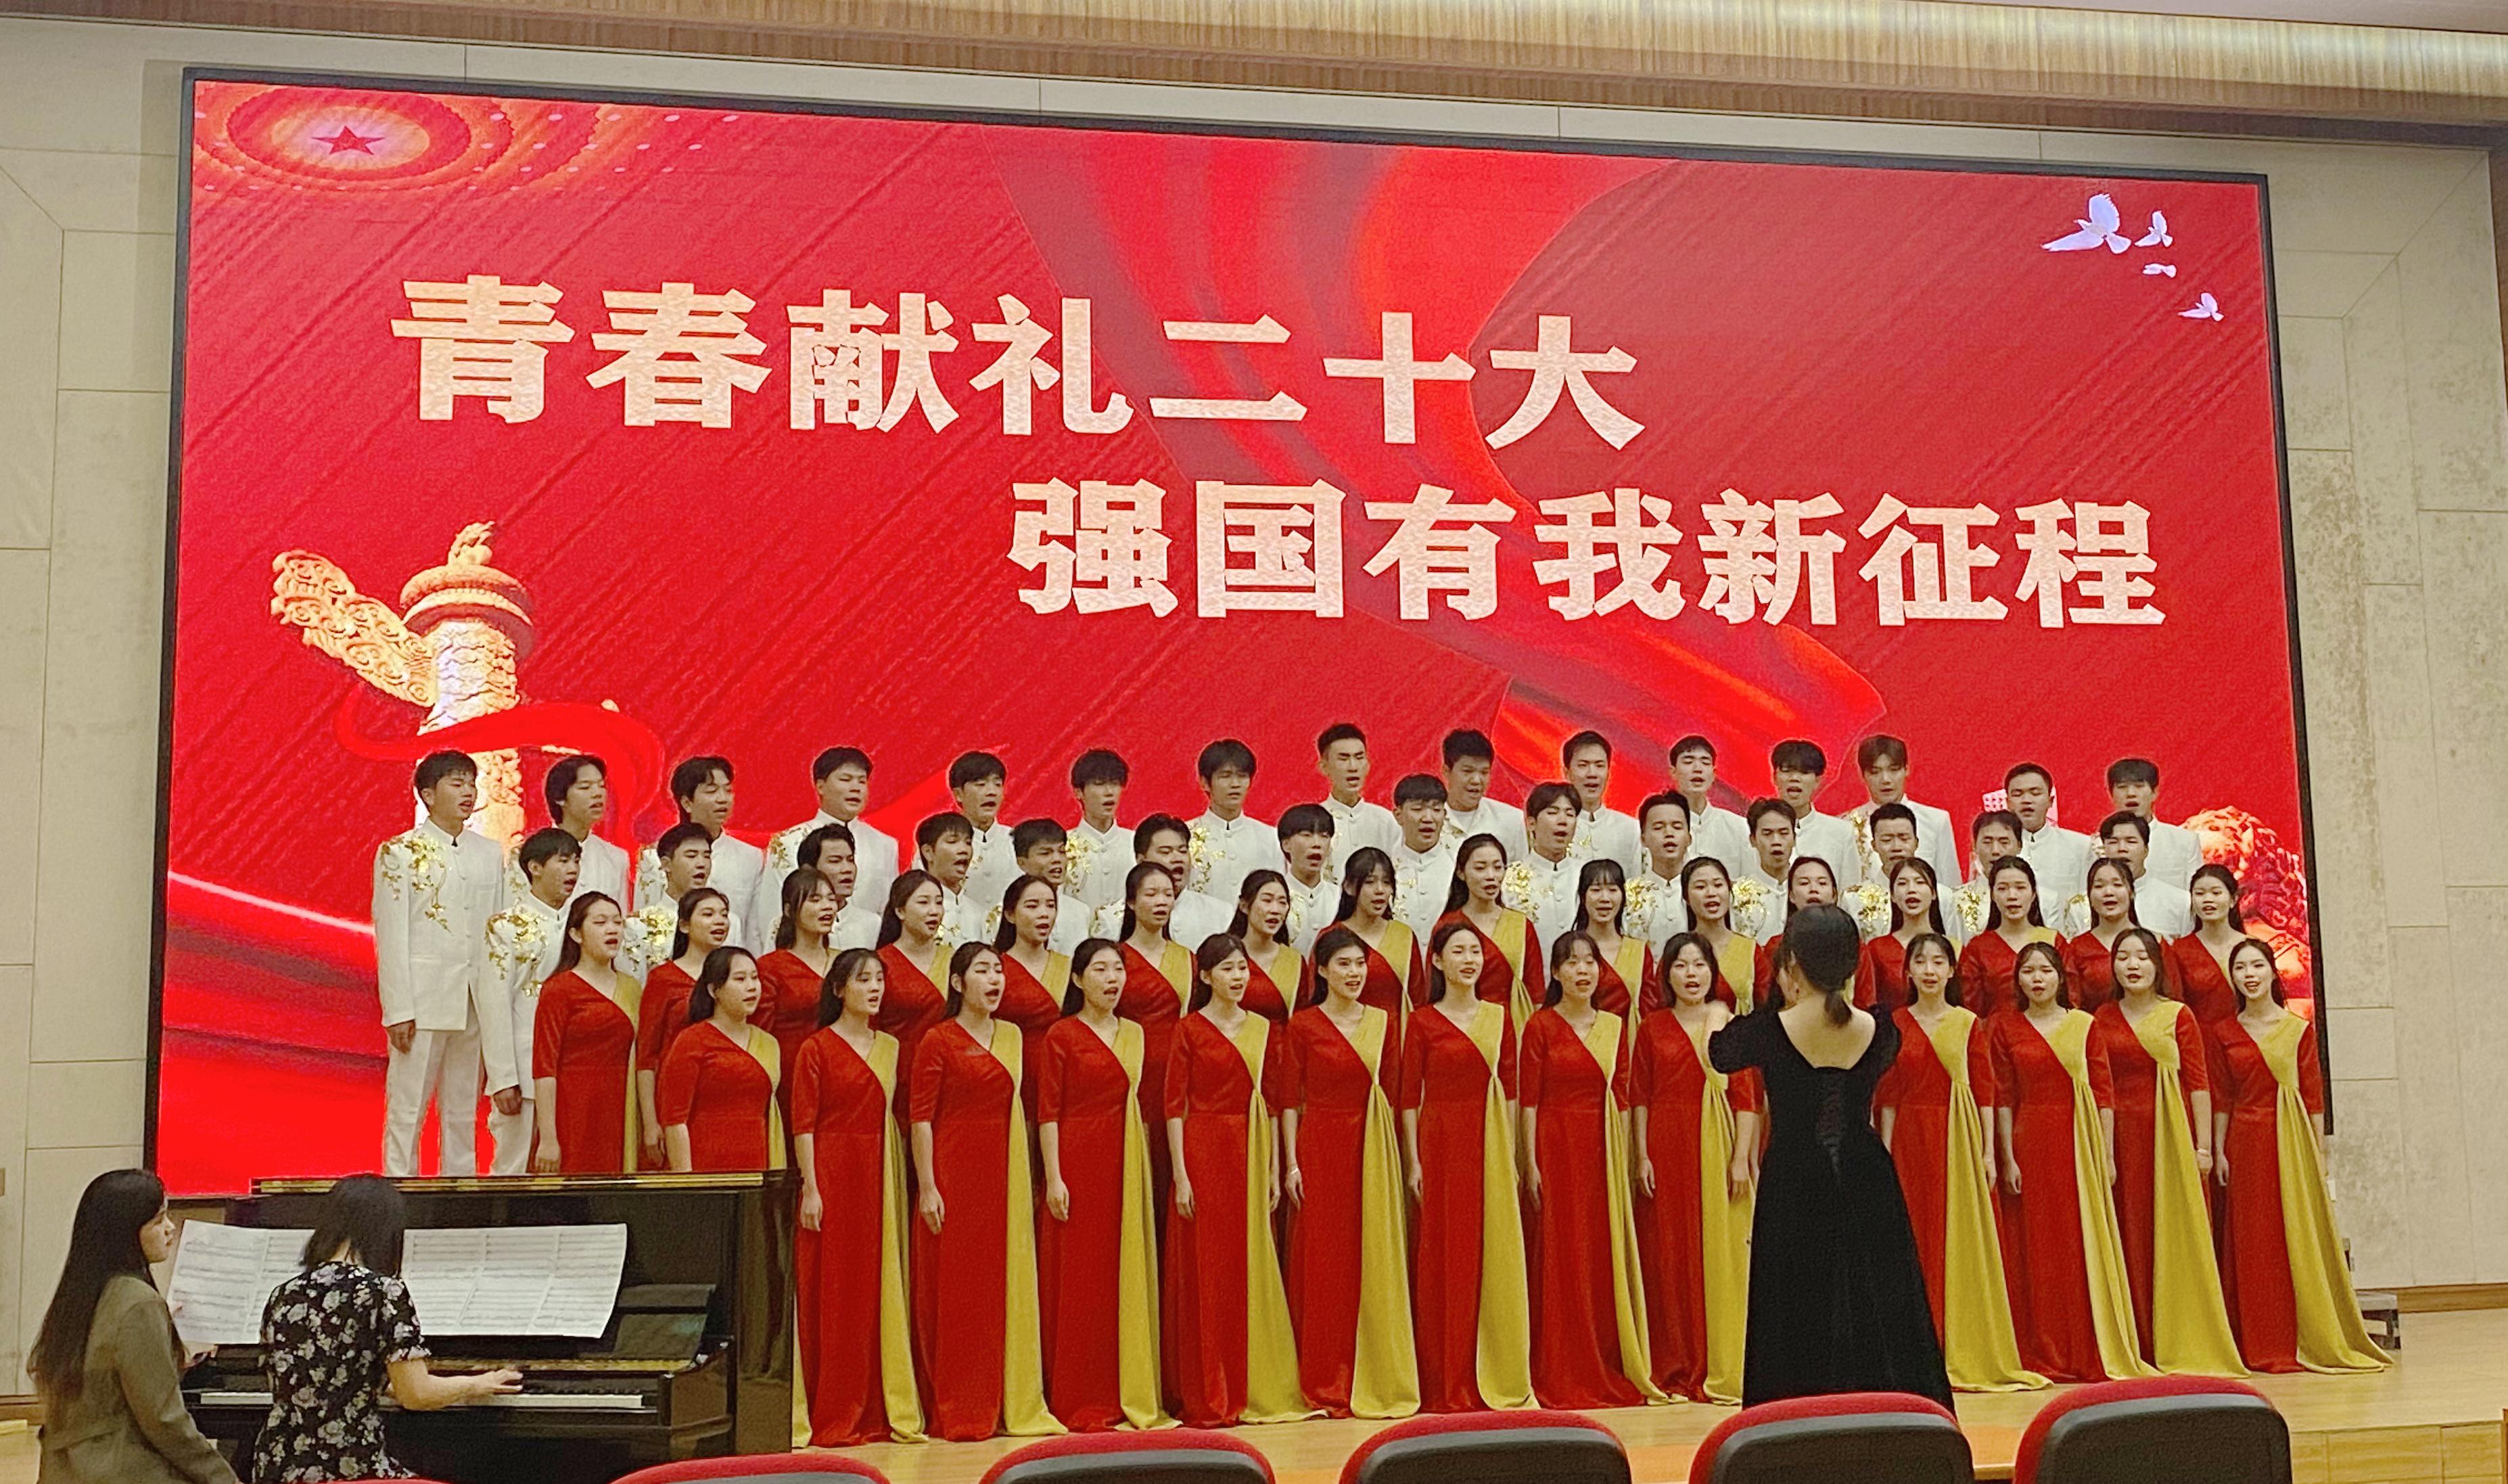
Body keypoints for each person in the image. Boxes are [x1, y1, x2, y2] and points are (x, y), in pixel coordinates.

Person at [1708, 904, 1951, 1406]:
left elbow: (1720, 1054)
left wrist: (1715, 1013)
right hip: (1867, 1172)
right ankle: (1894, 1411)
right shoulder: (1880, 1029)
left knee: (1797, 1297)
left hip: (1795, 1175)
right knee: (1879, 1293)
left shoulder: (1767, 1029)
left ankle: (1795, 1418)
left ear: (1793, 962)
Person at [251, 1177, 521, 1482]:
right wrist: (478, 1383)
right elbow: (416, 1395)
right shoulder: (383, 1291)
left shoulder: (282, 1294)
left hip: (277, 1466)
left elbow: (309, 1382)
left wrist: (381, 1382)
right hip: (348, 1469)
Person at [1872, 935, 2042, 1393]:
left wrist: (1986, 1151)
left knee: (1956, 1238)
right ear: (1908, 972)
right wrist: (1884, 1153)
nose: (1929, 970)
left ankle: (1962, 1346)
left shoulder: (1968, 1023)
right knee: (1914, 1240)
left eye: (1938, 962)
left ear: (1951, 971)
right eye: (1920, 962)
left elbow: (1985, 1091)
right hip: (1909, 1139)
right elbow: (1888, 1096)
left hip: (1956, 1136)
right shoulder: (1895, 1024)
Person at [2214, 940, 2391, 1374]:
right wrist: (2218, 1150)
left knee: (2293, 1234)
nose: (2250, 975)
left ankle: (2304, 1334)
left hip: (2289, 1139)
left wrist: (2318, 1154)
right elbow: (2221, 1099)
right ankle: (2258, 1341)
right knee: (2253, 1240)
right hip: (2244, 1141)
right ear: (2232, 977)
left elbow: (2313, 1097)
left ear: (2272, 973)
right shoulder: (2222, 1032)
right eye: (2241, 968)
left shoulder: (2297, 1029)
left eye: (2258, 966)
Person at [910, 944, 1063, 1441]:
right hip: (954, 1172)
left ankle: (1007, 1399)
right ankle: (960, 1405)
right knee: (961, 1290)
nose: (994, 979)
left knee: (1003, 1285)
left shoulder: (1013, 1036)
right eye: (982, 971)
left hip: (1004, 1171)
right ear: (958, 983)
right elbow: (921, 1118)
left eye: (998, 970)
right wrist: (928, 1185)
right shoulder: (938, 1039)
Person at [1163, 935, 1314, 1427]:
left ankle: (1252, 1381)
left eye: (1242, 968)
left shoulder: (1263, 1029)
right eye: (1227, 969)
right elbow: (1174, 1107)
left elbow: (1270, 1103)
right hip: (1204, 1149)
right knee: (1208, 1267)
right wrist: (1182, 1174)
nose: (1237, 977)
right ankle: (1209, 1388)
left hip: (1248, 1149)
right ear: (1206, 977)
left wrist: (1273, 1167)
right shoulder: (1188, 1030)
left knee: (1247, 1263)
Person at [1989, 942, 2152, 1383]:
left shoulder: (2084, 1025)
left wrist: (2106, 1154)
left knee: (2077, 1244)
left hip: (2077, 1142)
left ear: (2060, 977)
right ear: (2018, 980)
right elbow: (2003, 1096)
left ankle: (2084, 1346)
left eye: (2045, 970)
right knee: (2037, 1248)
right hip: (2029, 1141)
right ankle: (2041, 1348)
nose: (2037, 979)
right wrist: (2007, 1157)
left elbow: (2103, 1093)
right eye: (2029, 971)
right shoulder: (2004, 1027)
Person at [1280, 927, 1419, 1419]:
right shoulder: (1303, 1026)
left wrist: (1404, 1157)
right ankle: (1324, 1376)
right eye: (1343, 964)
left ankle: (1376, 1370)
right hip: (1320, 1146)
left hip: (1372, 1146)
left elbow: (1399, 1095)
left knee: (1372, 1253)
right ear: (1321, 971)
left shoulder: (1384, 1022)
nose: (1355, 972)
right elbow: (1288, 1101)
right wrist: (1291, 1163)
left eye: (1360, 963)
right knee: (1325, 1262)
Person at [2093, 929, 2244, 1376]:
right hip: (2121, 1140)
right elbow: (2100, 1087)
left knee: (2171, 1233)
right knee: (2130, 1234)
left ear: (2158, 965)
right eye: (2123, 957)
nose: (2133, 965)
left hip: (2169, 1139)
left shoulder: (2178, 1015)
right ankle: (2135, 1340)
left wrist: (2203, 1147)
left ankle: (2180, 1337)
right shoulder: (2101, 1017)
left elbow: (2199, 1083)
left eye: (2142, 957)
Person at [1520, 933, 1661, 1408]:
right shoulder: (1540, 1026)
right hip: (1554, 1145)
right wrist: (1529, 1160)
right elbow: (1529, 1100)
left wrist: (1629, 1157)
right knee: (1561, 1251)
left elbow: (1623, 1097)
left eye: (1590, 962)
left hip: (1602, 1148)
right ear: (1555, 972)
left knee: (1599, 1252)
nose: (1582, 970)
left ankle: (1603, 1359)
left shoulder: (1615, 1027)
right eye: (1571, 962)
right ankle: (1560, 1366)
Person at [792, 948, 925, 1445]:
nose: (874, 989)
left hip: (879, 1170)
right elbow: (804, 1123)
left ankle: (876, 1403)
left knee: (875, 1284)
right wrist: (811, 1186)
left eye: (879, 980)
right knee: (836, 1286)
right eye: (863, 980)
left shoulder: (890, 1047)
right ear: (838, 989)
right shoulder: (817, 1048)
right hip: (832, 1169)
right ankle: (833, 1407)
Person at [1400, 922, 1535, 1412]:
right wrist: (1414, 1160)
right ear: (1437, 962)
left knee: (1491, 1250)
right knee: (1445, 1254)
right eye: (1458, 952)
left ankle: (1497, 1367)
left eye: (1475, 951)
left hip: (1489, 1142)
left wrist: (1514, 1154)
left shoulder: (1500, 1018)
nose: (1469, 960)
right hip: (1439, 1144)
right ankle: (1446, 1372)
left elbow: (1513, 1091)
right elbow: (1408, 1097)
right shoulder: (1421, 1022)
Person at [1036, 940, 1169, 1432]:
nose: (1112, 979)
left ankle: (1128, 1386)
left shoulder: (1134, 1033)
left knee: (1123, 1269)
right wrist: (1054, 1176)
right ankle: (1079, 1394)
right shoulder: (1062, 1035)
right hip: (1077, 1158)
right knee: (1082, 1277)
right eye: (1100, 970)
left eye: (1118, 970)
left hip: (1125, 1158)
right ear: (1077, 979)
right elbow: (1048, 1111)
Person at [30, 1169, 237, 1484]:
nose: (170, 1229)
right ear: (125, 1232)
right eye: (158, 1220)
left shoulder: (78, 1297)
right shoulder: (138, 1302)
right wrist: (224, 1478)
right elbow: (165, 1421)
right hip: (124, 1471)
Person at [1630, 933, 1758, 1404]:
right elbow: (1640, 1094)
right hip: (1666, 1146)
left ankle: (1721, 1360)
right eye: (1681, 965)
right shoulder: (1652, 1028)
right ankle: (1675, 1364)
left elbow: (1747, 1098)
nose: (1691, 974)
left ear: (1713, 972)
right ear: (1667, 975)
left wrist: (1741, 1157)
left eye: (1699, 965)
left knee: (1721, 1253)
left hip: (1718, 1145)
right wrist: (1641, 1154)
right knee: (1669, 1255)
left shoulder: (1731, 1026)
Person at [372, 749, 509, 1177]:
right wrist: (398, 1009)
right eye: (456, 783)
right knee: (408, 1107)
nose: (468, 792)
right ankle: (400, 1189)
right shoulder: (400, 852)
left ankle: (460, 1188)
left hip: (474, 998)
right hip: (422, 999)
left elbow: (496, 928)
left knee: (463, 1108)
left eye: (471, 783)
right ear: (428, 795)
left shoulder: (489, 853)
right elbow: (391, 934)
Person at [484, 828, 580, 1175]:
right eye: (563, 861)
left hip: (572, 1069)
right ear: (535, 868)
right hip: (523, 1070)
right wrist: (503, 1078)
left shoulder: (581, 924)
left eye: (576, 861)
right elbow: (493, 1005)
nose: (572, 870)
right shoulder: (505, 927)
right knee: (513, 1166)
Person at [532, 893, 645, 1174]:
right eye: (601, 922)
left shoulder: (632, 988)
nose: (612, 929)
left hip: (621, 1106)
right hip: (574, 1107)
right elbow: (544, 1067)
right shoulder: (559, 989)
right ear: (576, 934)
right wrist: (548, 1137)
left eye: (618, 922)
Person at [657, 946, 783, 1173]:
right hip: (705, 1168)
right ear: (714, 990)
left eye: (755, 978)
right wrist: (686, 1181)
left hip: (755, 1165)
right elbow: (674, 1120)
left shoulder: (768, 1043)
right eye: (740, 979)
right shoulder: (691, 1041)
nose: (751, 986)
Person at [1115, 861, 1196, 1207]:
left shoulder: (1187, 959)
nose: (1161, 901)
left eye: (1168, 894)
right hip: (1129, 1071)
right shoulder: (1114, 959)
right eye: (1151, 894)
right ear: (1131, 902)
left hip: (1176, 1071)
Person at [634, 886, 733, 1166]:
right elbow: (646, 1057)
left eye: (724, 914)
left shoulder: (737, 976)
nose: (719, 921)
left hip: (724, 1096)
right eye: (708, 914)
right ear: (685, 925)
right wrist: (650, 1123)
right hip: (675, 1099)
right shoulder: (664, 978)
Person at [636, 757, 766, 952]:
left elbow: (754, 932)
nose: (723, 799)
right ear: (687, 802)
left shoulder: (750, 857)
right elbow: (644, 921)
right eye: (711, 791)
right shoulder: (653, 857)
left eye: (728, 790)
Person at [764, 747, 900, 931]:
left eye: (862, 781)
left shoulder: (885, 845)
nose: (856, 788)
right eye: (845, 779)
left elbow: (889, 911)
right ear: (820, 786)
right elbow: (772, 914)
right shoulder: (787, 843)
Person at [1437, 834, 1541, 1027]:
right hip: (1462, 1026)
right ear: (1461, 873)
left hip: (1512, 1025)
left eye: (1498, 867)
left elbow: (1536, 993)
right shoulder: (1447, 925)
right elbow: (1435, 989)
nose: (1491, 876)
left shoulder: (1520, 925)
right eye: (1480, 868)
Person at [876, 871, 954, 1118]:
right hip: (899, 1077)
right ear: (900, 911)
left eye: (939, 903)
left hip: (951, 1076)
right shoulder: (880, 965)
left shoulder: (955, 961)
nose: (934, 911)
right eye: (923, 902)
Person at [1847, 735, 1962, 898]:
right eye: (1875, 772)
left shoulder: (1936, 821)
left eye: (1894, 770)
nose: (1886, 780)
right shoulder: (1846, 826)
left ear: (1906, 769)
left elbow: (1951, 887)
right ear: (1862, 775)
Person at [1094, 814, 1234, 948]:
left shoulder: (1220, 914)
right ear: (1141, 861)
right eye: (1166, 852)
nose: (1178, 859)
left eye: (1183, 851)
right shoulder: (1112, 919)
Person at [759, 870, 843, 1093]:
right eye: (815, 899)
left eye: (831, 899)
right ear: (789, 910)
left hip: (840, 1075)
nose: (827, 907)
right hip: (790, 1077)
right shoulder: (770, 968)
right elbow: (759, 1036)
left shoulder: (845, 964)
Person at [1958, 858, 2063, 1019]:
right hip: (1995, 1032)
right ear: (1993, 895)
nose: (2012, 896)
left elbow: (2070, 999)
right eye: (2002, 889)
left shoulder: (2054, 941)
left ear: (2033, 894)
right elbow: (1971, 1009)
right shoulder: (1978, 947)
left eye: (2020, 888)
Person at [624, 824, 730, 977]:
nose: (701, 864)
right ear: (666, 864)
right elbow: (634, 986)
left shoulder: (727, 921)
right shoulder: (639, 925)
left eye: (707, 856)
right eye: (691, 856)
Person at [1189, 739, 1283, 906]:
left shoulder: (1270, 837)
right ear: (1205, 783)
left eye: (1242, 776)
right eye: (1225, 776)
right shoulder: (1186, 836)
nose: (1235, 784)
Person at [1331, 848, 1422, 1016]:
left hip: (1397, 1031)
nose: (1380, 890)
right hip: (1346, 1030)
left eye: (1386, 882)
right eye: (1370, 882)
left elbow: (1418, 999)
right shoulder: (1331, 937)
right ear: (1349, 887)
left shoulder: (1404, 936)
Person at [1859, 858, 1954, 1017]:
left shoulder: (1954, 948)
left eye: (1920, 882)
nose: (1911, 889)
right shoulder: (1876, 949)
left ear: (1934, 893)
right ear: (1892, 896)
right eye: (1902, 883)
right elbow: (1868, 1003)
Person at [995, 873, 1073, 1059]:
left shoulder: (1069, 967)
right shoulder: (996, 969)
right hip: (1012, 1064)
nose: (1044, 913)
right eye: (1032, 906)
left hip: (1061, 1064)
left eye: (1051, 906)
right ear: (1010, 915)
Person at [2005, 762, 2097, 914]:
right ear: (2008, 803)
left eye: (2035, 793)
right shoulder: (1996, 847)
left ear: (2050, 801)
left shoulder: (2080, 845)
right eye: (2018, 794)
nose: (2027, 800)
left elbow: (2089, 901)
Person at [542, 753, 632, 908]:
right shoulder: (531, 855)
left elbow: (620, 917)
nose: (598, 793)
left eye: (602, 786)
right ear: (559, 797)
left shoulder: (616, 858)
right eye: (585, 787)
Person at [1770, 739, 1861, 891]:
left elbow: (1850, 891)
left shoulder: (1841, 832)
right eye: (1787, 771)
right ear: (1775, 777)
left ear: (1818, 780)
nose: (1795, 778)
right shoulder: (1753, 831)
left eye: (1804, 772)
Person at [1502, 781, 1584, 946]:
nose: (1563, 821)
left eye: (1570, 814)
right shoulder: (1508, 879)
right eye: (1553, 813)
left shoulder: (1587, 873)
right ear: (1531, 823)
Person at [1752, 856, 1841, 1006]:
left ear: (1834, 895)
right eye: (1804, 883)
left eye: (1822, 883)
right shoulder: (1776, 946)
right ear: (1791, 896)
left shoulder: (1853, 946)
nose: (1813, 889)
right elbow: (1766, 1000)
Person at [2168, 864, 2249, 1030]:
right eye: (2200, 894)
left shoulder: (2252, 948)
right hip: (2200, 1040)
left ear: (2233, 900)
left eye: (2216, 893)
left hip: (2248, 1038)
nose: (2207, 899)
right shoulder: (2179, 951)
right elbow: (2174, 1007)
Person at [2088, 812, 2193, 939]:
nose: (2122, 848)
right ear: (2104, 849)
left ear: (2146, 850)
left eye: (2131, 841)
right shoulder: (2084, 905)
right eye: (2113, 842)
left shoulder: (2180, 902)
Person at [2106, 758, 2204, 890]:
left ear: (2155, 792)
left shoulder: (2185, 841)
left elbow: (2196, 891)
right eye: (2122, 787)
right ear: (2111, 794)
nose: (2131, 794)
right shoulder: (2097, 845)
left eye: (2139, 786)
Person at [1571, 858, 1651, 1015]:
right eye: (1596, 890)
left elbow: (1650, 1010)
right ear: (1583, 896)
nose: (1605, 898)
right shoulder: (1570, 948)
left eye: (1613, 890)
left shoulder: (1638, 952)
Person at [1316, 723, 1398, 875]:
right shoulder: (1314, 821)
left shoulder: (1386, 821)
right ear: (1323, 767)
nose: (1353, 767)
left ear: (1368, 765)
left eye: (1359, 757)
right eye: (1343, 759)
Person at [2060, 859, 2141, 1013]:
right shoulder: (2076, 949)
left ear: (2131, 893)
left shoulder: (2153, 944)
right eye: (2099, 886)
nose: (2108, 892)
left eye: (2117, 885)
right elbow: (2071, 1005)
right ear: (2089, 897)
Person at [1681, 856, 1761, 1013]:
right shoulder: (1678, 951)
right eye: (1700, 887)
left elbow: (1767, 1008)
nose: (1711, 893)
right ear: (1686, 897)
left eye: (1718, 885)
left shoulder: (1750, 951)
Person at [1667, 735, 1754, 876]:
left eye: (1705, 762)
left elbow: (1750, 881)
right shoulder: (1657, 827)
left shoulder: (1739, 828)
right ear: (1673, 772)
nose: (1698, 769)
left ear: (1714, 774)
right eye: (1688, 761)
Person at [1230, 869, 1308, 1023]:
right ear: (1244, 906)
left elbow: (1302, 1019)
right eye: (1267, 901)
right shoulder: (1224, 956)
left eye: (1282, 902)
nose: (1275, 910)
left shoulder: (1294, 961)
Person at [1387, 774, 1456, 946]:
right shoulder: (1386, 866)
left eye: (1436, 809)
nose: (1428, 818)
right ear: (1398, 815)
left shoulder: (1459, 862)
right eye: (1418, 809)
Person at [1011, 818, 1096, 955]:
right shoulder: (1006, 912)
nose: (1057, 860)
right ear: (1022, 863)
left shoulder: (1081, 912)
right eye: (1045, 853)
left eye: (1062, 852)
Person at [947, 751, 1019, 912]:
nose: (991, 792)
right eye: (981, 785)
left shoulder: (1017, 841)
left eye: (997, 784)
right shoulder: (940, 842)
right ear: (959, 795)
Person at [1560, 730, 1641, 873]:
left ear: (1608, 772)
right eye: (1583, 765)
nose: (1592, 774)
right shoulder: (1556, 827)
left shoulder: (1631, 829)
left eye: (1599, 766)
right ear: (1567, 773)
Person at [1066, 748, 1136, 912]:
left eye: (1114, 784)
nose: (1109, 792)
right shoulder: (1063, 846)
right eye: (1099, 784)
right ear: (1078, 792)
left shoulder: (1136, 843)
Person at [1435, 729, 1523, 859]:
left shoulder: (1512, 820)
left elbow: (1523, 869)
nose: (1476, 780)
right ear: (1446, 772)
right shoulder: (1427, 819)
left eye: (1484, 772)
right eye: (1467, 771)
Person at [1621, 791, 1694, 949]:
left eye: (1677, 827)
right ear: (1643, 839)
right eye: (1658, 827)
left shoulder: (1704, 891)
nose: (1669, 834)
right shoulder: (1628, 896)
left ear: (1689, 838)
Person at [1844, 803, 1924, 942]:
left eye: (1904, 839)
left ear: (1916, 843)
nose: (1896, 847)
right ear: (1874, 845)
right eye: (1887, 840)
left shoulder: (1942, 896)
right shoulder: (1854, 899)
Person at [914, 811, 989, 949]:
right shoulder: (914, 910)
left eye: (968, 843)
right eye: (952, 842)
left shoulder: (979, 913)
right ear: (928, 852)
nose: (964, 850)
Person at [1948, 810, 2026, 941]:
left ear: (2019, 846)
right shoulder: (1956, 899)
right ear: (1974, 846)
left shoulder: (2044, 898)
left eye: (2004, 842)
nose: (1995, 851)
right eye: (1987, 842)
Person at [1276, 805, 1343, 950]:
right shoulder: (1274, 897)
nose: (1317, 844)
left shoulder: (1340, 896)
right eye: (1306, 835)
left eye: (1324, 836)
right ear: (1286, 844)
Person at [1733, 799, 1795, 941]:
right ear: (1753, 840)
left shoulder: (1808, 889)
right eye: (1767, 834)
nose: (1776, 841)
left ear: (1794, 838)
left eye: (1784, 833)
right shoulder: (1736, 893)